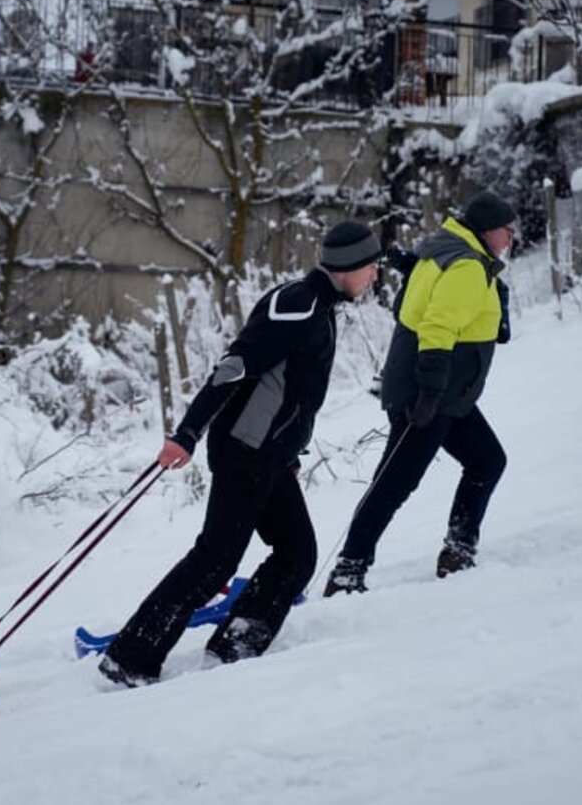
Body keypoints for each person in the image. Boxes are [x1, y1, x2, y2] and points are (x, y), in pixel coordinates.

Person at [98, 221, 383, 687]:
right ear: (348, 266)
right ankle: (130, 658)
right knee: (216, 558)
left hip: (269, 455)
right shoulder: (298, 307)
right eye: (370, 266)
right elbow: (234, 368)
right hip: (246, 451)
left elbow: (290, 393)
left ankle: (235, 646)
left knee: (296, 554)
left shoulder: (317, 306)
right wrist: (187, 433)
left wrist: (289, 449)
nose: (375, 275)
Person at [323, 192, 516, 596]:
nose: (511, 236)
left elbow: (426, 295)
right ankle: (348, 571)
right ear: (486, 230)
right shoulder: (465, 265)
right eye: (506, 229)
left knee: (487, 461)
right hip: (430, 391)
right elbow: (438, 327)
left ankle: (458, 550)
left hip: (447, 394)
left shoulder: (443, 250)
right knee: (395, 481)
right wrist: (429, 393)